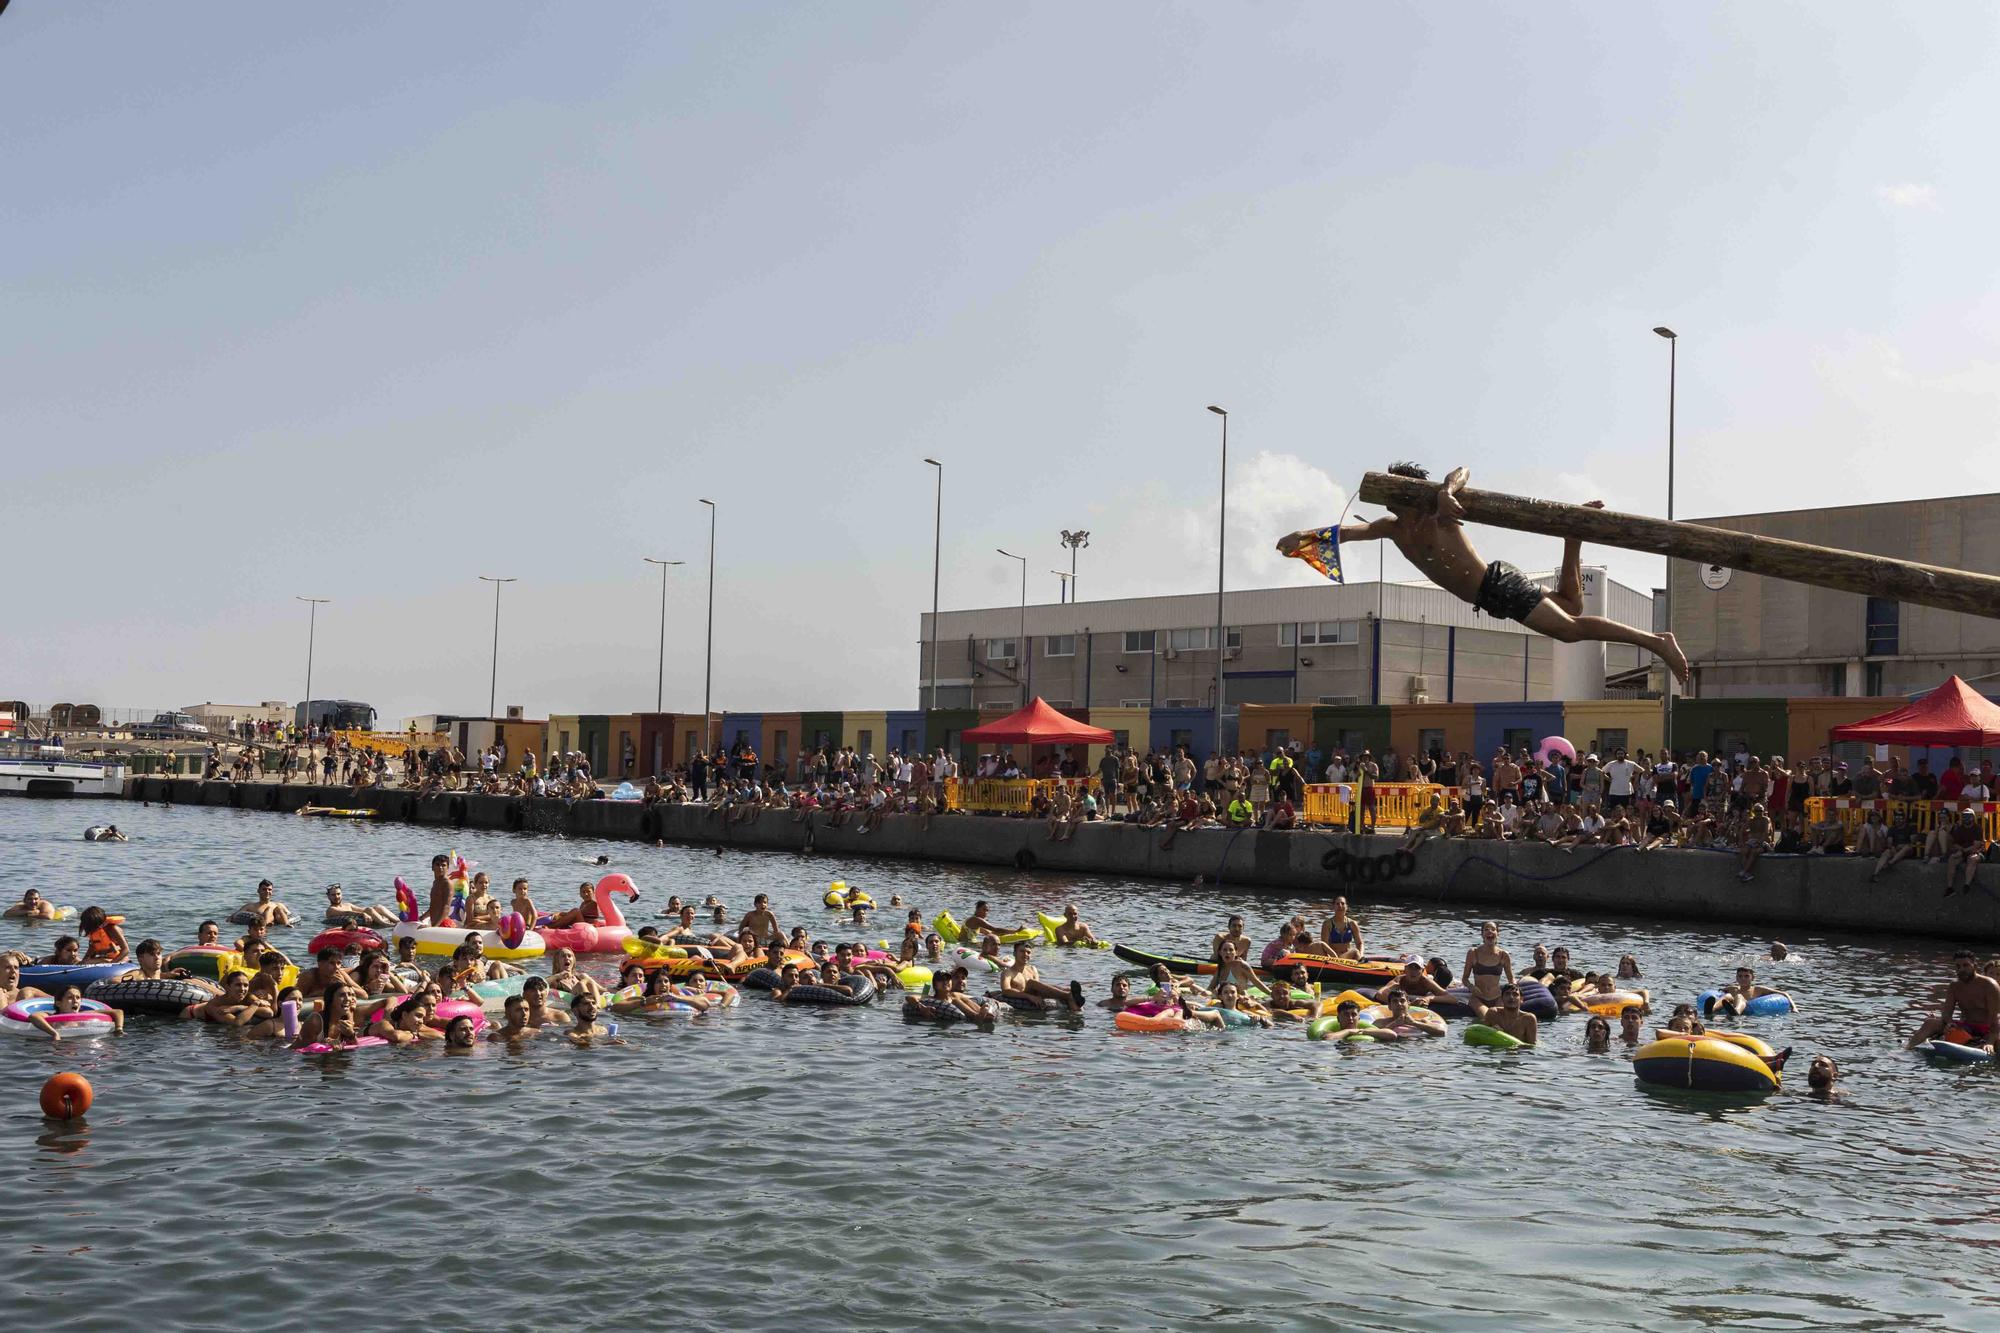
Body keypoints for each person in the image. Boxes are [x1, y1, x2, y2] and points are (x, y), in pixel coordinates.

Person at [1279, 463, 1690, 684]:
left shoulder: (1441, 516)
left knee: (1570, 628)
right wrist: (1303, 537)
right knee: (1571, 604)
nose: (1393, 504)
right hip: (1492, 591)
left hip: (1495, 585)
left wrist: (1445, 492)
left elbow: (1463, 469)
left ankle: (1656, 641)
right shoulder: (1392, 528)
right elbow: (1348, 532)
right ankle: (1572, 538)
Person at [1906, 950, 2000, 1051]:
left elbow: (1995, 1019)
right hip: (1965, 1027)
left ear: (1974, 966)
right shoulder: (1954, 986)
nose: (1962, 969)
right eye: (1958, 967)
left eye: (1966, 965)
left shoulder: (1990, 985)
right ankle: (1906, 1049)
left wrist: (1990, 1042)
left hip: (1987, 1029)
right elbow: (1947, 1012)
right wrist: (1949, 1023)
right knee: (1931, 1023)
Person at [997, 942, 1085, 1013]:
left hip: (1035, 995)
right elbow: (1006, 991)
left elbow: (1039, 989)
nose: (1025, 954)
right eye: (1022, 951)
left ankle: (1073, 1004)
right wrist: (1029, 997)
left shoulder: (1032, 969)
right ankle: (1067, 996)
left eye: (1028, 952)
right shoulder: (1008, 972)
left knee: (1067, 989)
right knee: (1031, 982)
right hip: (1022, 998)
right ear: (1014, 953)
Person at [24, 985, 122, 1038]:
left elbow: (118, 1012)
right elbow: (33, 1016)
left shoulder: (85, 1015)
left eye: (78, 998)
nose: (75, 1000)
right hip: (56, 1045)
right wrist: (54, 1033)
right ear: (59, 1003)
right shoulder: (50, 1017)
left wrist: (118, 1029)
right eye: (70, 997)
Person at [1465, 982, 1538, 1046]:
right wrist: (1492, 1032)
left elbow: (1531, 1047)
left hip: (1518, 1054)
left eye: (1515, 994)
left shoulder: (1528, 1019)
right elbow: (1480, 1036)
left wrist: (1514, 1048)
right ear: (1501, 998)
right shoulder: (1493, 1013)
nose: (1511, 997)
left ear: (1521, 1000)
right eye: (1507, 994)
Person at [1704, 966, 1791, 1019]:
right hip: (1732, 1004)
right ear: (1736, 978)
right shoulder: (1732, 988)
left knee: (1739, 997)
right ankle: (1711, 1009)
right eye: (1740, 976)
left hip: (1747, 1010)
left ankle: (1736, 1012)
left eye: (1746, 976)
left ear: (1752, 978)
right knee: (1728, 995)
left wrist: (1794, 1008)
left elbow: (1784, 994)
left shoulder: (1758, 989)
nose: (1743, 979)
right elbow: (1720, 992)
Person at [1463, 920, 1515, 1003]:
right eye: (1486, 929)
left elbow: (1511, 979)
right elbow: (1465, 979)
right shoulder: (1473, 953)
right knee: (1485, 1015)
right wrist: (1471, 987)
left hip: (1497, 997)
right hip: (1478, 998)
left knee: (1496, 1014)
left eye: (1493, 929)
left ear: (1498, 934)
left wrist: (1515, 993)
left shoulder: (1504, 955)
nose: (1490, 931)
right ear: (1482, 934)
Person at [1943, 808, 1990, 898]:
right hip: (1963, 851)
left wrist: (1963, 851)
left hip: (1976, 852)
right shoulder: (1959, 829)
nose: (1966, 818)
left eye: (1968, 816)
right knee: (1952, 858)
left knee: (1972, 859)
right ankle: (1950, 887)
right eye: (1964, 816)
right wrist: (1961, 851)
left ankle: (1967, 885)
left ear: (1973, 817)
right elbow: (1955, 844)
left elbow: (1976, 846)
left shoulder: (1978, 828)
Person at [323, 883, 397, 926]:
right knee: (369, 909)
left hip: (363, 915)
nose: (336, 897)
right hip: (353, 923)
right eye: (333, 895)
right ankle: (387, 925)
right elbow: (346, 913)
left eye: (338, 894)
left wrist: (373, 910)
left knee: (378, 906)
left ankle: (398, 921)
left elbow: (362, 909)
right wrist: (363, 914)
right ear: (328, 896)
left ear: (341, 894)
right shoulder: (330, 910)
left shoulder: (348, 905)